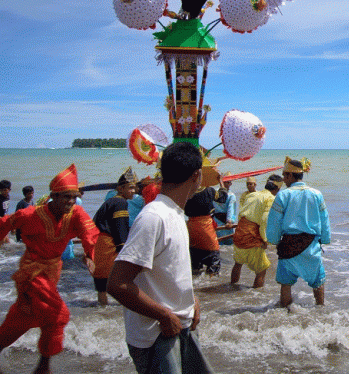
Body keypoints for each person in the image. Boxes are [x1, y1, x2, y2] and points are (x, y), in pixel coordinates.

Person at [108, 141, 214, 374]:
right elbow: (117, 284)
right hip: (156, 335)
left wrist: (190, 299)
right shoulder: (154, 217)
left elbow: (169, 271)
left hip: (178, 325)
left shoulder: (175, 213)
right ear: (196, 176)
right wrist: (163, 315)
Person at [0, 164, 98, 374]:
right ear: (53, 196)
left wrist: (90, 255)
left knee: (24, 317)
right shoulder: (31, 215)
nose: (70, 202)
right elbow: (6, 223)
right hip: (32, 272)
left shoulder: (75, 213)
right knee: (58, 313)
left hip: (52, 272)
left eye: (74, 197)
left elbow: (89, 231)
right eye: (65, 197)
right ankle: (43, 367)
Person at [266, 157, 331, 307]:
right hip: (311, 246)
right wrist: (325, 239)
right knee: (318, 281)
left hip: (288, 245)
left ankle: (285, 312)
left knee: (286, 283)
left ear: (290, 176)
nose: (283, 179)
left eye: (284, 175)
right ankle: (320, 311)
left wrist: (274, 240)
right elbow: (324, 219)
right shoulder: (316, 194)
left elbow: (274, 222)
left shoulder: (283, 195)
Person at [92, 168, 137, 306]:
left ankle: (103, 309)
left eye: (134, 188)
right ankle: (125, 308)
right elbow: (120, 227)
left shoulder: (111, 201)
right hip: (108, 243)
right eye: (130, 188)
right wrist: (122, 247)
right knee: (120, 278)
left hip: (99, 242)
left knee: (102, 282)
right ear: (120, 188)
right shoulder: (120, 203)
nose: (133, 191)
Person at [231, 174, 283, 288]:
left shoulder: (252, 195)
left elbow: (241, 214)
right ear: (277, 189)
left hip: (240, 232)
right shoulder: (271, 198)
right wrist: (264, 239)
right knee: (262, 269)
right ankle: (255, 296)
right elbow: (264, 220)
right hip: (251, 236)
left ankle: (231, 287)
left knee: (238, 263)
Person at [185, 184, 222, 276]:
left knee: (195, 260)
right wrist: (222, 185)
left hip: (191, 227)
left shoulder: (187, 191)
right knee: (214, 258)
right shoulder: (209, 190)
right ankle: (210, 283)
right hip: (205, 227)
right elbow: (222, 198)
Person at [214, 173, 238, 245]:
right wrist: (229, 221)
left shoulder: (215, 192)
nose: (229, 183)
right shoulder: (231, 195)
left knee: (219, 244)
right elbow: (231, 209)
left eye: (229, 182)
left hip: (216, 222)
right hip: (225, 223)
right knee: (228, 244)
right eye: (228, 182)